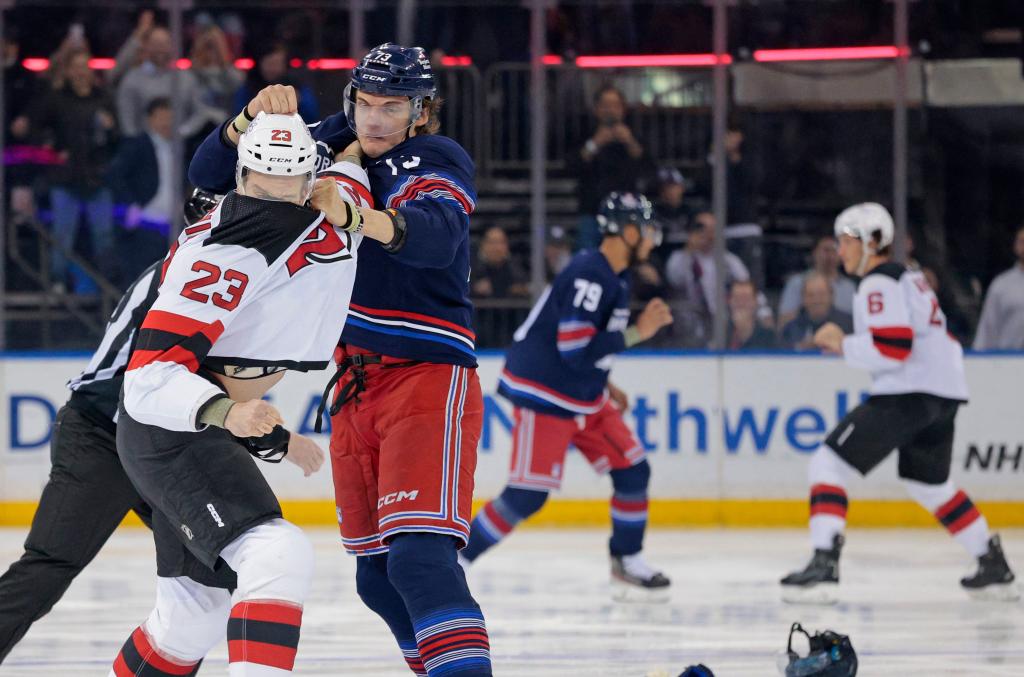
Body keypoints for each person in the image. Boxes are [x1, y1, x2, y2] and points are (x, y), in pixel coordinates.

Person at [188, 43, 493, 676]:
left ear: (421, 110)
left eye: (392, 106)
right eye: (365, 103)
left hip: (426, 373)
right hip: (354, 381)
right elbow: (210, 175)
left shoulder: (437, 156)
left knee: (418, 559)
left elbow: (435, 239)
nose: (374, 119)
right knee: (377, 581)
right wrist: (247, 120)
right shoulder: (328, 138)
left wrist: (360, 216)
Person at [0, 188, 327, 664]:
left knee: (202, 588)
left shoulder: (210, 276)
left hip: (161, 441)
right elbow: (169, 389)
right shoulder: (190, 280)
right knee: (53, 561)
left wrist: (275, 439)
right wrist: (279, 441)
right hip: (105, 436)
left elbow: (197, 396)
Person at [108, 112, 376, 675]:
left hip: (206, 427)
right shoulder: (218, 251)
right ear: (240, 178)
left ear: (310, 178)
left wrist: (354, 124)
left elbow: (350, 169)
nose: (276, 201)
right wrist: (229, 412)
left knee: (190, 619)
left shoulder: (329, 200)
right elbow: (148, 378)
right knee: (277, 553)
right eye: (261, 188)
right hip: (170, 430)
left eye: (290, 188)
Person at [780, 202, 1017, 604]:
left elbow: (894, 348)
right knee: (929, 484)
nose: (840, 250)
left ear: (873, 241)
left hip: (909, 391)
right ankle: (990, 562)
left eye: (846, 240)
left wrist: (844, 344)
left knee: (827, 463)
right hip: (942, 392)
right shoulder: (907, 277)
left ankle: (824, 563)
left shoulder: (878, 281)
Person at [461, 193, 674, 602]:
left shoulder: (617, 274)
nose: (652, 238)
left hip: (582, 392)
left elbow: (586, 345)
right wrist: (639, 334)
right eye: (646, 229)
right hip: (547, 394)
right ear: (628, 231)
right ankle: (457, 563)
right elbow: (574, 347)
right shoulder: (590, 274)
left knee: (633, 470)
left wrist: (605, 380)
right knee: (526, 495)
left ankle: (626, 561)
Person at [28, 47, 119, 289]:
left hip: (96, 177)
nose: (80, 72)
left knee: (103, 234)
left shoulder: (103, 97)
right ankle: (58, 281)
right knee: (63, 233)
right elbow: (36, 129)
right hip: (65, 178)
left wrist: (109, 129)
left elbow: (116, 138)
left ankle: (105, 284)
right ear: (68, 71)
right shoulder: (56, 98)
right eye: (76, 67)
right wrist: (53, 150)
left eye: (84, 66)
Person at [576, 85, 651, 250]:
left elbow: (648, 167)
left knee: (624, 261)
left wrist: (630, 142)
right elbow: (573, 165)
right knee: (588, 261)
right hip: (592, 211)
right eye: (605, 105)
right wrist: (595, 143)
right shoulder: (584, 133)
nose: (610, 110)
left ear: (623, 109)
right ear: (596, 109)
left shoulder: (634, 135)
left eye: (615, 105)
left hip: (626, 213)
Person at [664, 211, 750, 347]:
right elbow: (674, 279)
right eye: (702, 228)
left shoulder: (729, 260)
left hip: (722, 325)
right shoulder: (680, 257)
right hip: (686, 328)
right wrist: (690, 248)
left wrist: (763, 313)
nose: (708, 234)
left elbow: (747, 287)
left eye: (713, 229)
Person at [107, 98, 176, 233]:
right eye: (162, 118)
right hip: (145, 220)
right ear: (150, 119)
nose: (167, 123)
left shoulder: (179, 148)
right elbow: (114, 175)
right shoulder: (136, 145)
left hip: (173, 223)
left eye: (170, 118)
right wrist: (131, 204)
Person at [777, 236, 856, 328]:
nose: (830, 255)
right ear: (814, 253)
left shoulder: (849, 287)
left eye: (834, 250)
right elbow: (784, 323)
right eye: (826, 250)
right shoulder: (796, 283)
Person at [973, 225, 1024, 350]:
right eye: (1022, 242)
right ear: (1016, 246)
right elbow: (987, 329)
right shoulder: (1002, 285)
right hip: (1008, 361)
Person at [779, 271, 853, 350]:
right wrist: (800, 349)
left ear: (832, 296)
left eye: (821, 294)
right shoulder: (790, 329)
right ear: (803, 298)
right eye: (811, 295)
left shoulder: (849, 324)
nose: (816, 300)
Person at [472, 226, 529, 298]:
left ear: (507, 246)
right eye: (492, 242)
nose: (497, 248)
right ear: (483, 245)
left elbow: (527, 287)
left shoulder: (517, 268)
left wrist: (521, 290)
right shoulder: (472, 267)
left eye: (501, 242)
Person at [726, 280, 776, 350]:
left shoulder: (769, 337)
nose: (741, 303)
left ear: (755, 302)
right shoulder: (721, 334)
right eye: (737, 298)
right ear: (730, 301)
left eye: (746, 299)